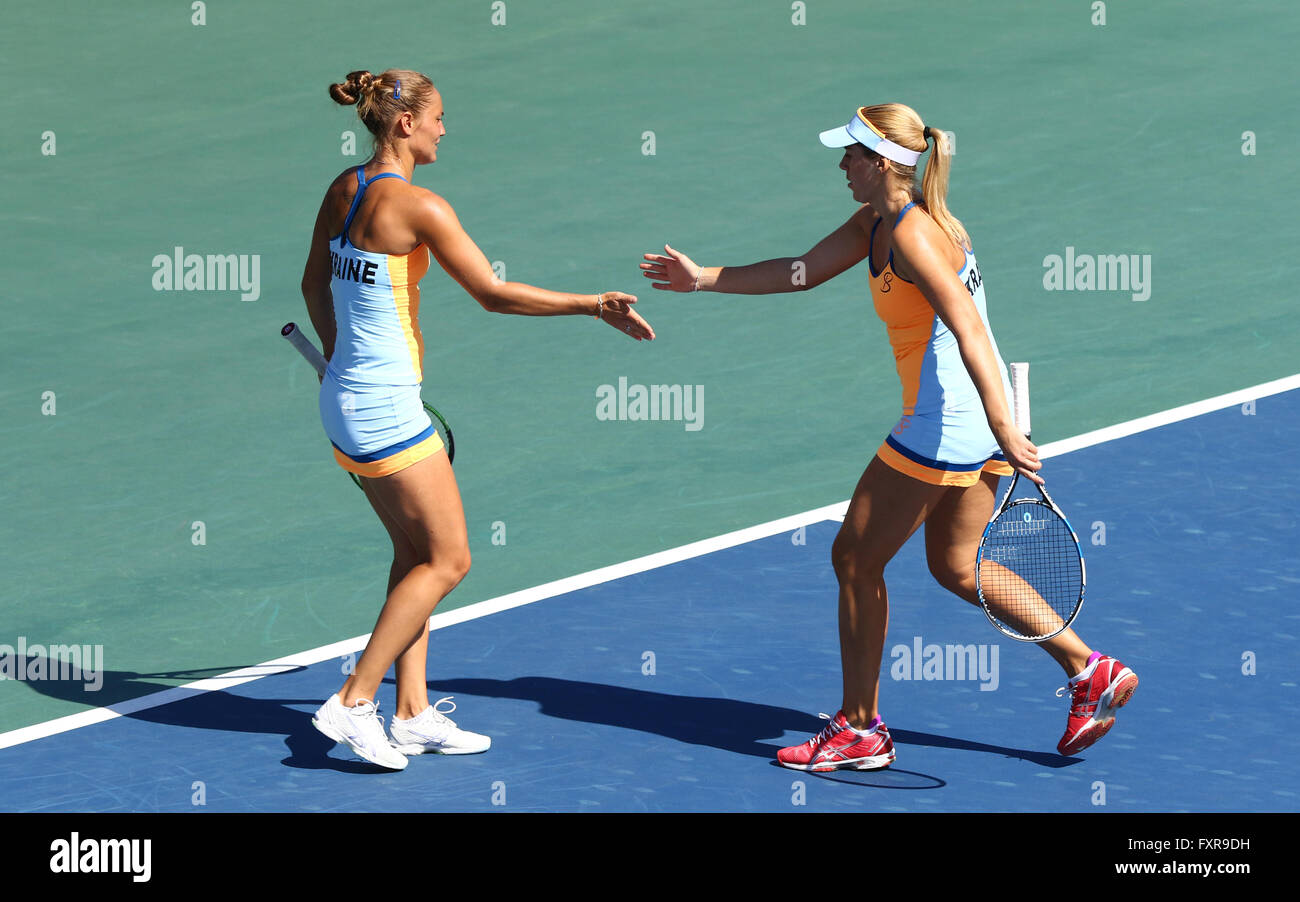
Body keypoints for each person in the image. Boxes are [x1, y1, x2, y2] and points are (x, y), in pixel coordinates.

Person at [640, 103, 1136, 772]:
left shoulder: (913, 235)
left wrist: (999, 427)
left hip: (948, 424)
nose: (840, 164)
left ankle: (859, 728)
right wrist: (702, 279)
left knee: (854, 559)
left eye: (850, 154)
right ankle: (1090, 669)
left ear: (881, 163)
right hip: (971, 419)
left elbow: (969, 328)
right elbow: (801, 270)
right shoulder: (878, 221)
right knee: (956, 567)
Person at [302, 68, 654, 770]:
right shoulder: (420, 207)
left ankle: (411, 712)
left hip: (346, 400)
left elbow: (314, 281)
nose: (443, 128)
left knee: (414, 556)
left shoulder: (345, 189)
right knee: (451, 558)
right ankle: (351, 700)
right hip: (387, 409)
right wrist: (591, 304)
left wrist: (342, 359)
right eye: (437, 117)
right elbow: (492, 294)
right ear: (405, 123)